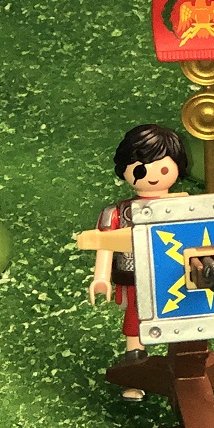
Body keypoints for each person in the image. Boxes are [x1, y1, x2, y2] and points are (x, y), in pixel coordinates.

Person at [89, 124, 189, 399]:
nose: (153, 176)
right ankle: (135, 372)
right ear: (125, 171)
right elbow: (106, 243)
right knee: (135, 322)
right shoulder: (118, 213)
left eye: (163, 169)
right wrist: (101, 276)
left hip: (176, 276)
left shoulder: (184, 208)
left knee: (181, 320)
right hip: (135, 279)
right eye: (141, 170)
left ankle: (185, 371)